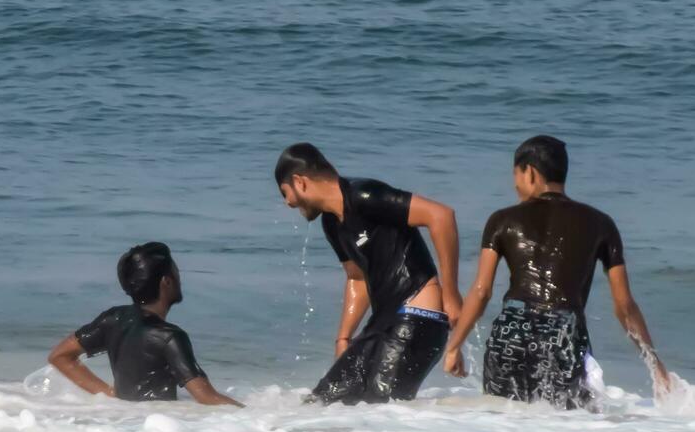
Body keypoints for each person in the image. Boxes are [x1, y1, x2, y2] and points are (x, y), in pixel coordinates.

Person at [444, 134, 670, 409]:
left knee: (504, 422)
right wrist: (654, 364)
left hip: (511, 334)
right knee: (564, 428)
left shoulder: (502, 220)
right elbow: (625, 306)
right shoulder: (601, 224)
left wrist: (455, 346)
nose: (514, 185)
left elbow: (481, 292)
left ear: (530, 173)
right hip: (562, 335)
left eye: (515, 175)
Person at [275, 142, 462, 405]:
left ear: (300, 182)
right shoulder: (332, 222)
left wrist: (451, 292)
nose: (288, 203)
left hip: (417, 317)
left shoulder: (364, 195)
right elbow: (357, 278)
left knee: (380, 408)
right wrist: (343, 337)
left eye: (286, 193)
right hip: (382, 323)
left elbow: (440, 216)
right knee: (319, 404)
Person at [48, 241, 242, 406]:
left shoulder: (112, 319)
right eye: (176, 272)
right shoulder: (169, 337)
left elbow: (60, 356)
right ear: (166, 282)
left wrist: (108, 394)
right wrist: (256, 416)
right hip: (159, 427)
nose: (179, 278)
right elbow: (206, 397)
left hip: (128, 423)